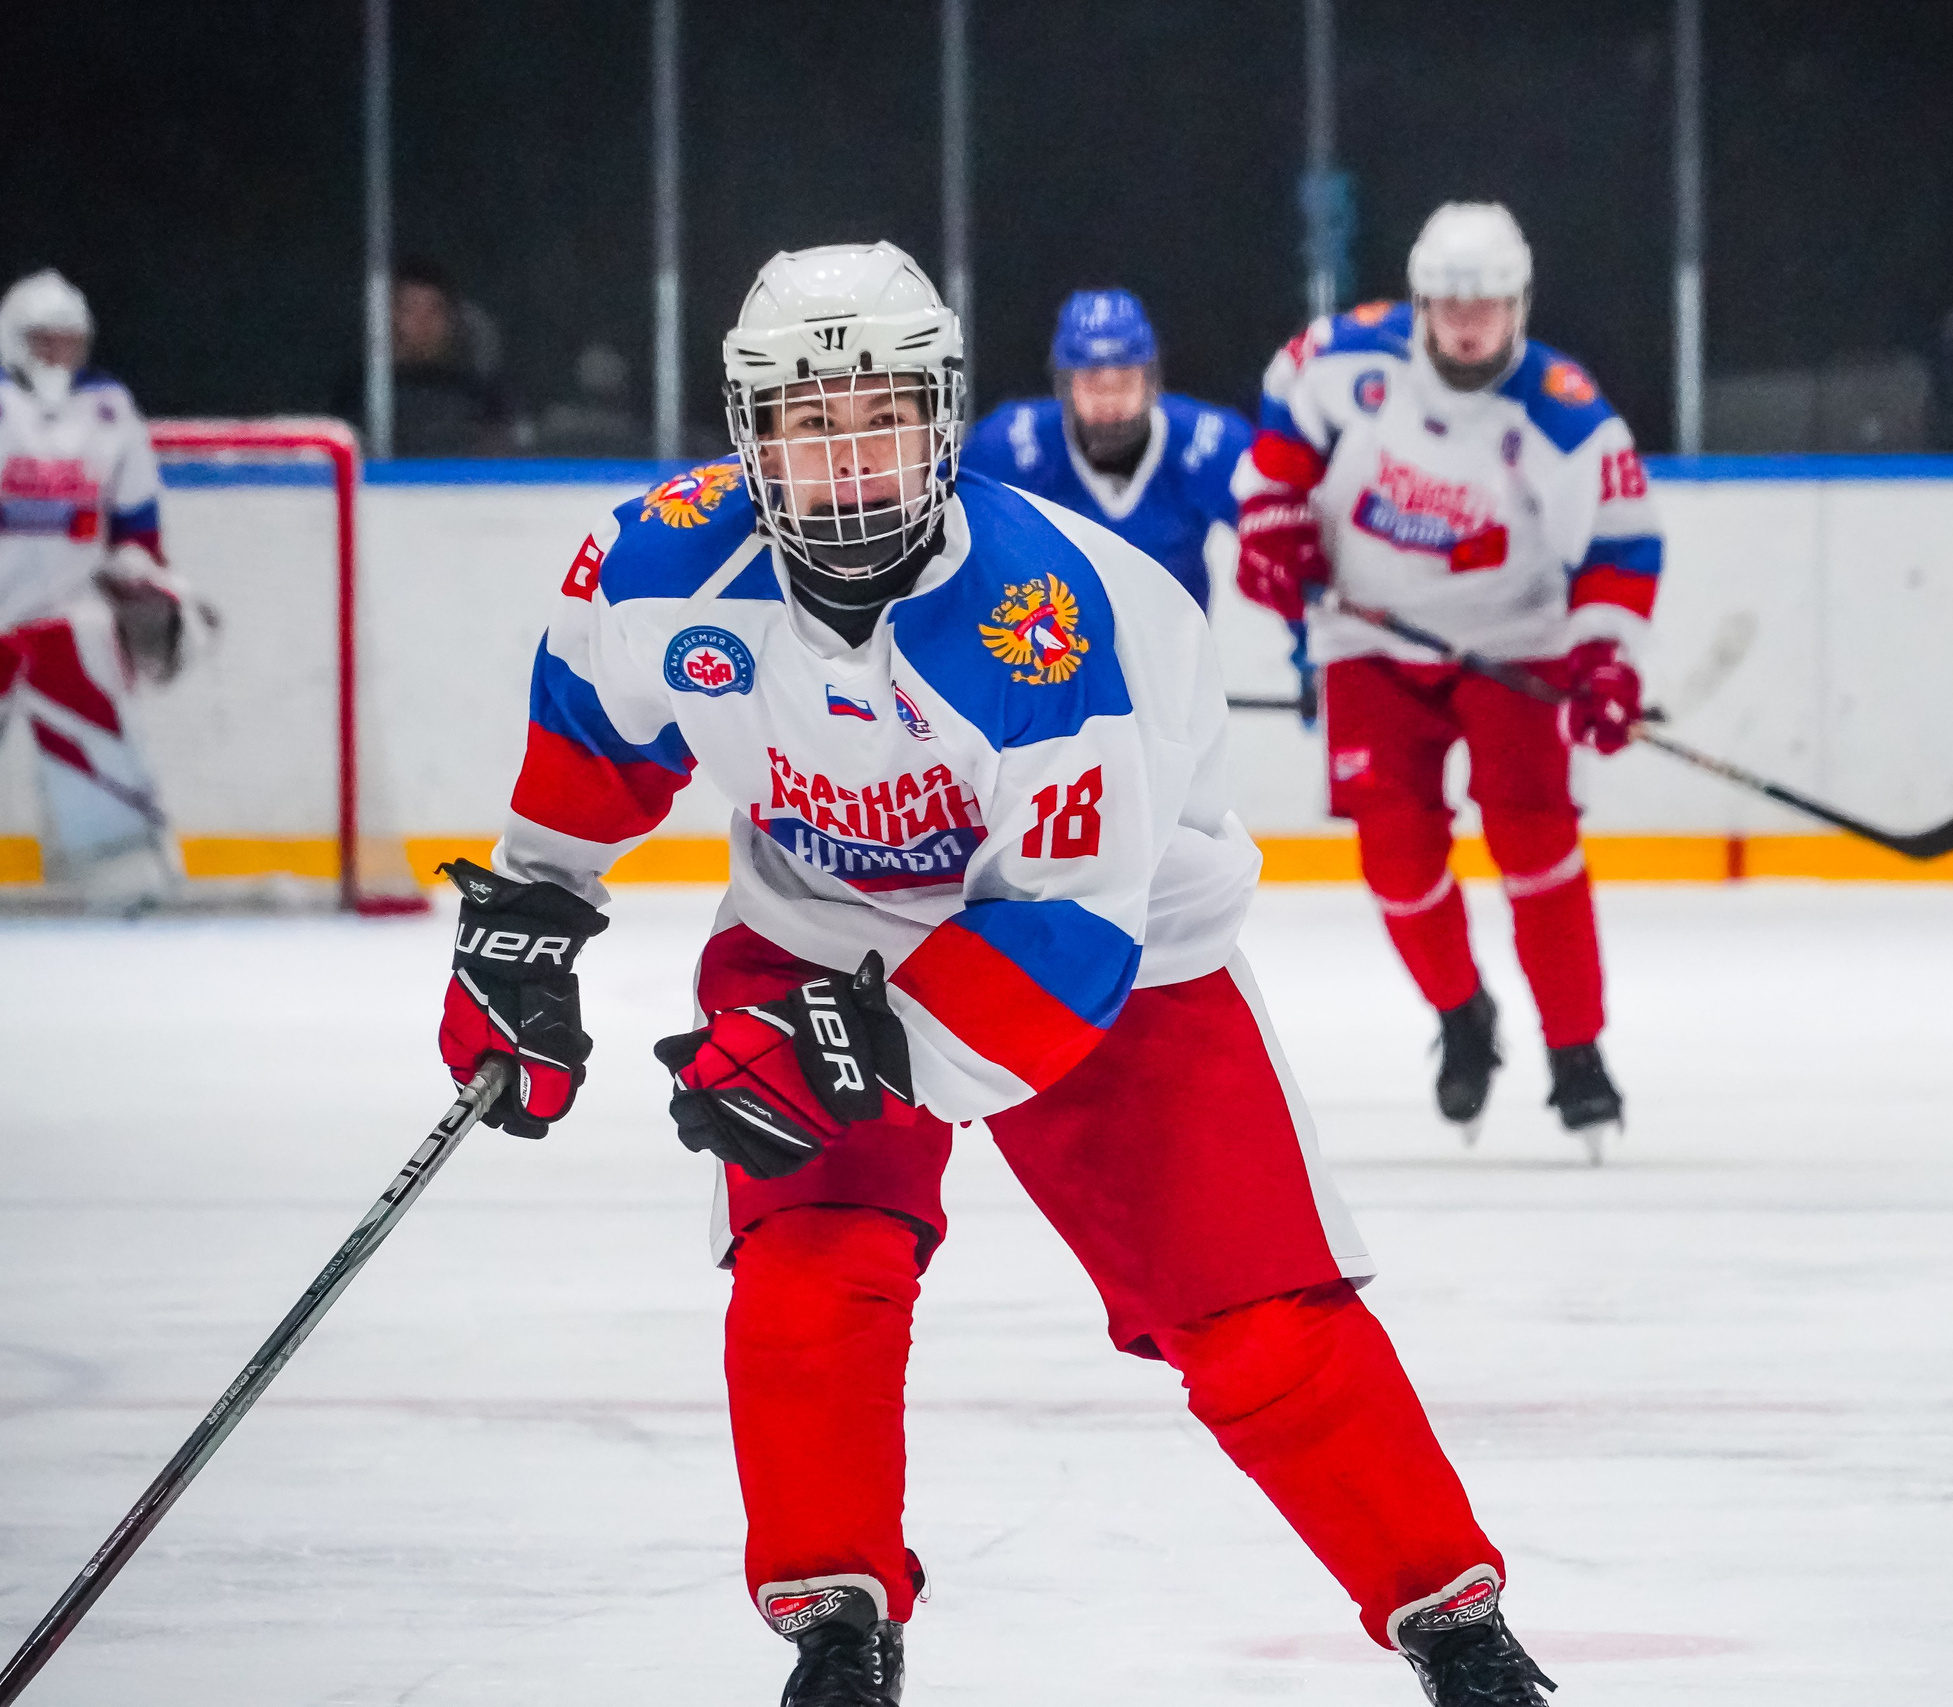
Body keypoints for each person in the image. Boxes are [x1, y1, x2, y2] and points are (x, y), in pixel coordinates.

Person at [434, 243, 1555, 1707]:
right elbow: (596, 733)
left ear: (945, 418)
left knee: (1256, 1324)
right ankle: (836, 1630)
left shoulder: (1049, 613)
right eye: (811, 423)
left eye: (883, 419)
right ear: (750, 433)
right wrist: (527, 916)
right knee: (807, 1277)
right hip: (819, 925)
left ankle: (1455, 1629)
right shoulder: (654, 562)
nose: (849, 461)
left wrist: (862, 1048)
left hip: (1121, 957)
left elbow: (1069, 927)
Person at [1232, 201, 1661, 1157]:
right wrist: (1272, 519)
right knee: (1396, 854)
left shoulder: (1562, 410)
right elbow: (1280, 438)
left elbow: (1621, 544)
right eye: (1452, 305)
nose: (1470, 325)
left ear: (1520, 305)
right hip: (1366, 633)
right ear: (1421, 302)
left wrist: (1605, 657)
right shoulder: (1342, 361)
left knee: (1534, 841)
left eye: (1489, 306)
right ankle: (1462, 1012)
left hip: (1514, 640)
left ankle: (1577, 1051)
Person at [0, 268, 199, 909]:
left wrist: (139, 568)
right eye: (43, 340)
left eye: (69, 341)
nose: (57, 354)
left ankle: (123, 876)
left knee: (98, 739)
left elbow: (135, 520)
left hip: (63, 613)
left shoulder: (109, 408)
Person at [958, 288, 1249, 613]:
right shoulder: (1004, 448)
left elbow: (1283, 540)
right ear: (1064, 385)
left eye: (1124, 382)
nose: (1110, 402)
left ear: (1151, 381)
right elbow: (954, 559)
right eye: (1092, 383)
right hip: (1052, 640)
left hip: (1174, 640)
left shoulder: (1212, 443)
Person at [329, 259, 514, 456]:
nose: (423, 322)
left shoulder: (480, 395)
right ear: (389, 317)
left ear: (451, 320)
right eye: (410, 309)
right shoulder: (360, 392)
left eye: (434, 310)